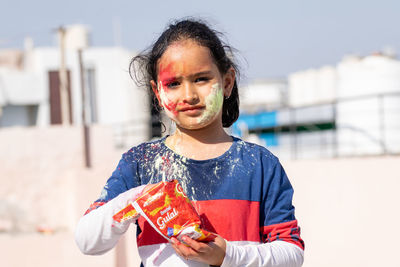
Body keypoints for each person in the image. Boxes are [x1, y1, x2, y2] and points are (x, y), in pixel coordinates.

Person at [75, 18, 304, 267]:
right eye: (173, 84)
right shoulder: (140, 163)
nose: (189, 95)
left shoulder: (260, 164)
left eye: (202, 79)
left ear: (227, 82)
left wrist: (227, 255)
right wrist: (139, 198)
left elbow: (291, 254)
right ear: (158, 93)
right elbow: (88, 241)